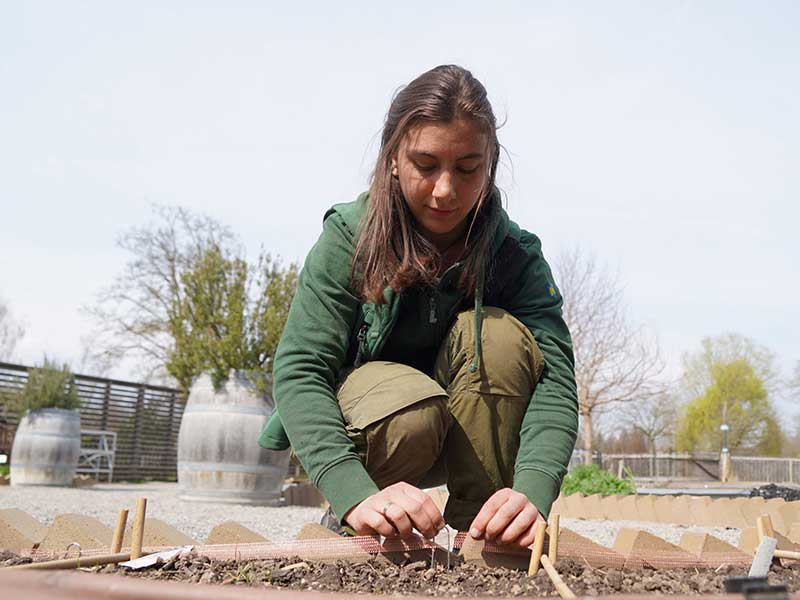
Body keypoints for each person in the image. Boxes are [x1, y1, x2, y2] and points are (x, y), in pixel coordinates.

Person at [259, 64, 578, 549]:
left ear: (489, 165)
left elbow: (555, 379)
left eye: (468, 169)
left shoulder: (516, 255)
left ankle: (485, 533)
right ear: (392, 159)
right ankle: (366, 520)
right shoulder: (349, 237)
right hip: (378, 432)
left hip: (470, 431)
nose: (445, 190)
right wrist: (351, 491)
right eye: (425, 166)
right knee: (412, 405)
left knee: (501, 337)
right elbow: (302, 368)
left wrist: (533, 492)